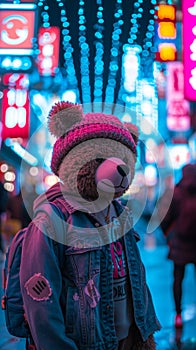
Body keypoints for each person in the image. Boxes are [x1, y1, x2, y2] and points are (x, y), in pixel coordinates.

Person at [20, 101, 161, 350]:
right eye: (102, 157)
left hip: (127, 340)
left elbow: (136, 282)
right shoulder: (52, 220)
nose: (120, 168)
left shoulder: (120, 216)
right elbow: (40, 302)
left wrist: (145, 333)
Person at [161, 163, 196, 329]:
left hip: (179, 244)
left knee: (178, 279)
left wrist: (167, 235)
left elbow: (165, 218)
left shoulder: (176, 193)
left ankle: (178, 314)